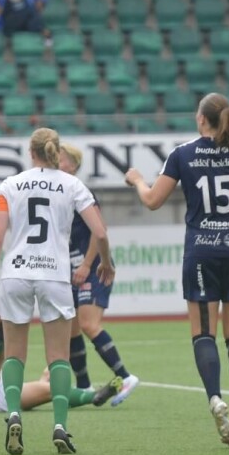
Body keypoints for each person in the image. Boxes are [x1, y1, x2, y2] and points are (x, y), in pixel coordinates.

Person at [124, 92, 229, 447]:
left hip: (202, 252)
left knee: (204, 333)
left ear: (202, 119)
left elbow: (152, 201)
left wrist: (137, 180)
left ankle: (215, 398)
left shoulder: (183, 153)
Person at [0, 128, 113, 455]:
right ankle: (60, 427)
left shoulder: (10, 184)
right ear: (56, 151)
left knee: (14, 354)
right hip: (53, 273)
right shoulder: (72, 183)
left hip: (17, 273)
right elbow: (100, 232)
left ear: (30, 151)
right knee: (58, 357)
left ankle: (12, 415)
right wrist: (105, 262)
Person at [59, 144, 139, 405]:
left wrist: (85, 265)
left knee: (88, 324)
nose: (56, 163)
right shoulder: (57, 192)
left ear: (73, 165)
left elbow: (99, 230)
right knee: (70, 330)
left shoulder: (81, 191)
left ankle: (125, 376)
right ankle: (84, 385)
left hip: (92, 267)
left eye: (61, 160)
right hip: (70, 270)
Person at [0, 318, 121, 413]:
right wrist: (3, 314)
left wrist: (42, 382)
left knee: (50, 389)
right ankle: (1, 336)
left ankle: (93, 397)